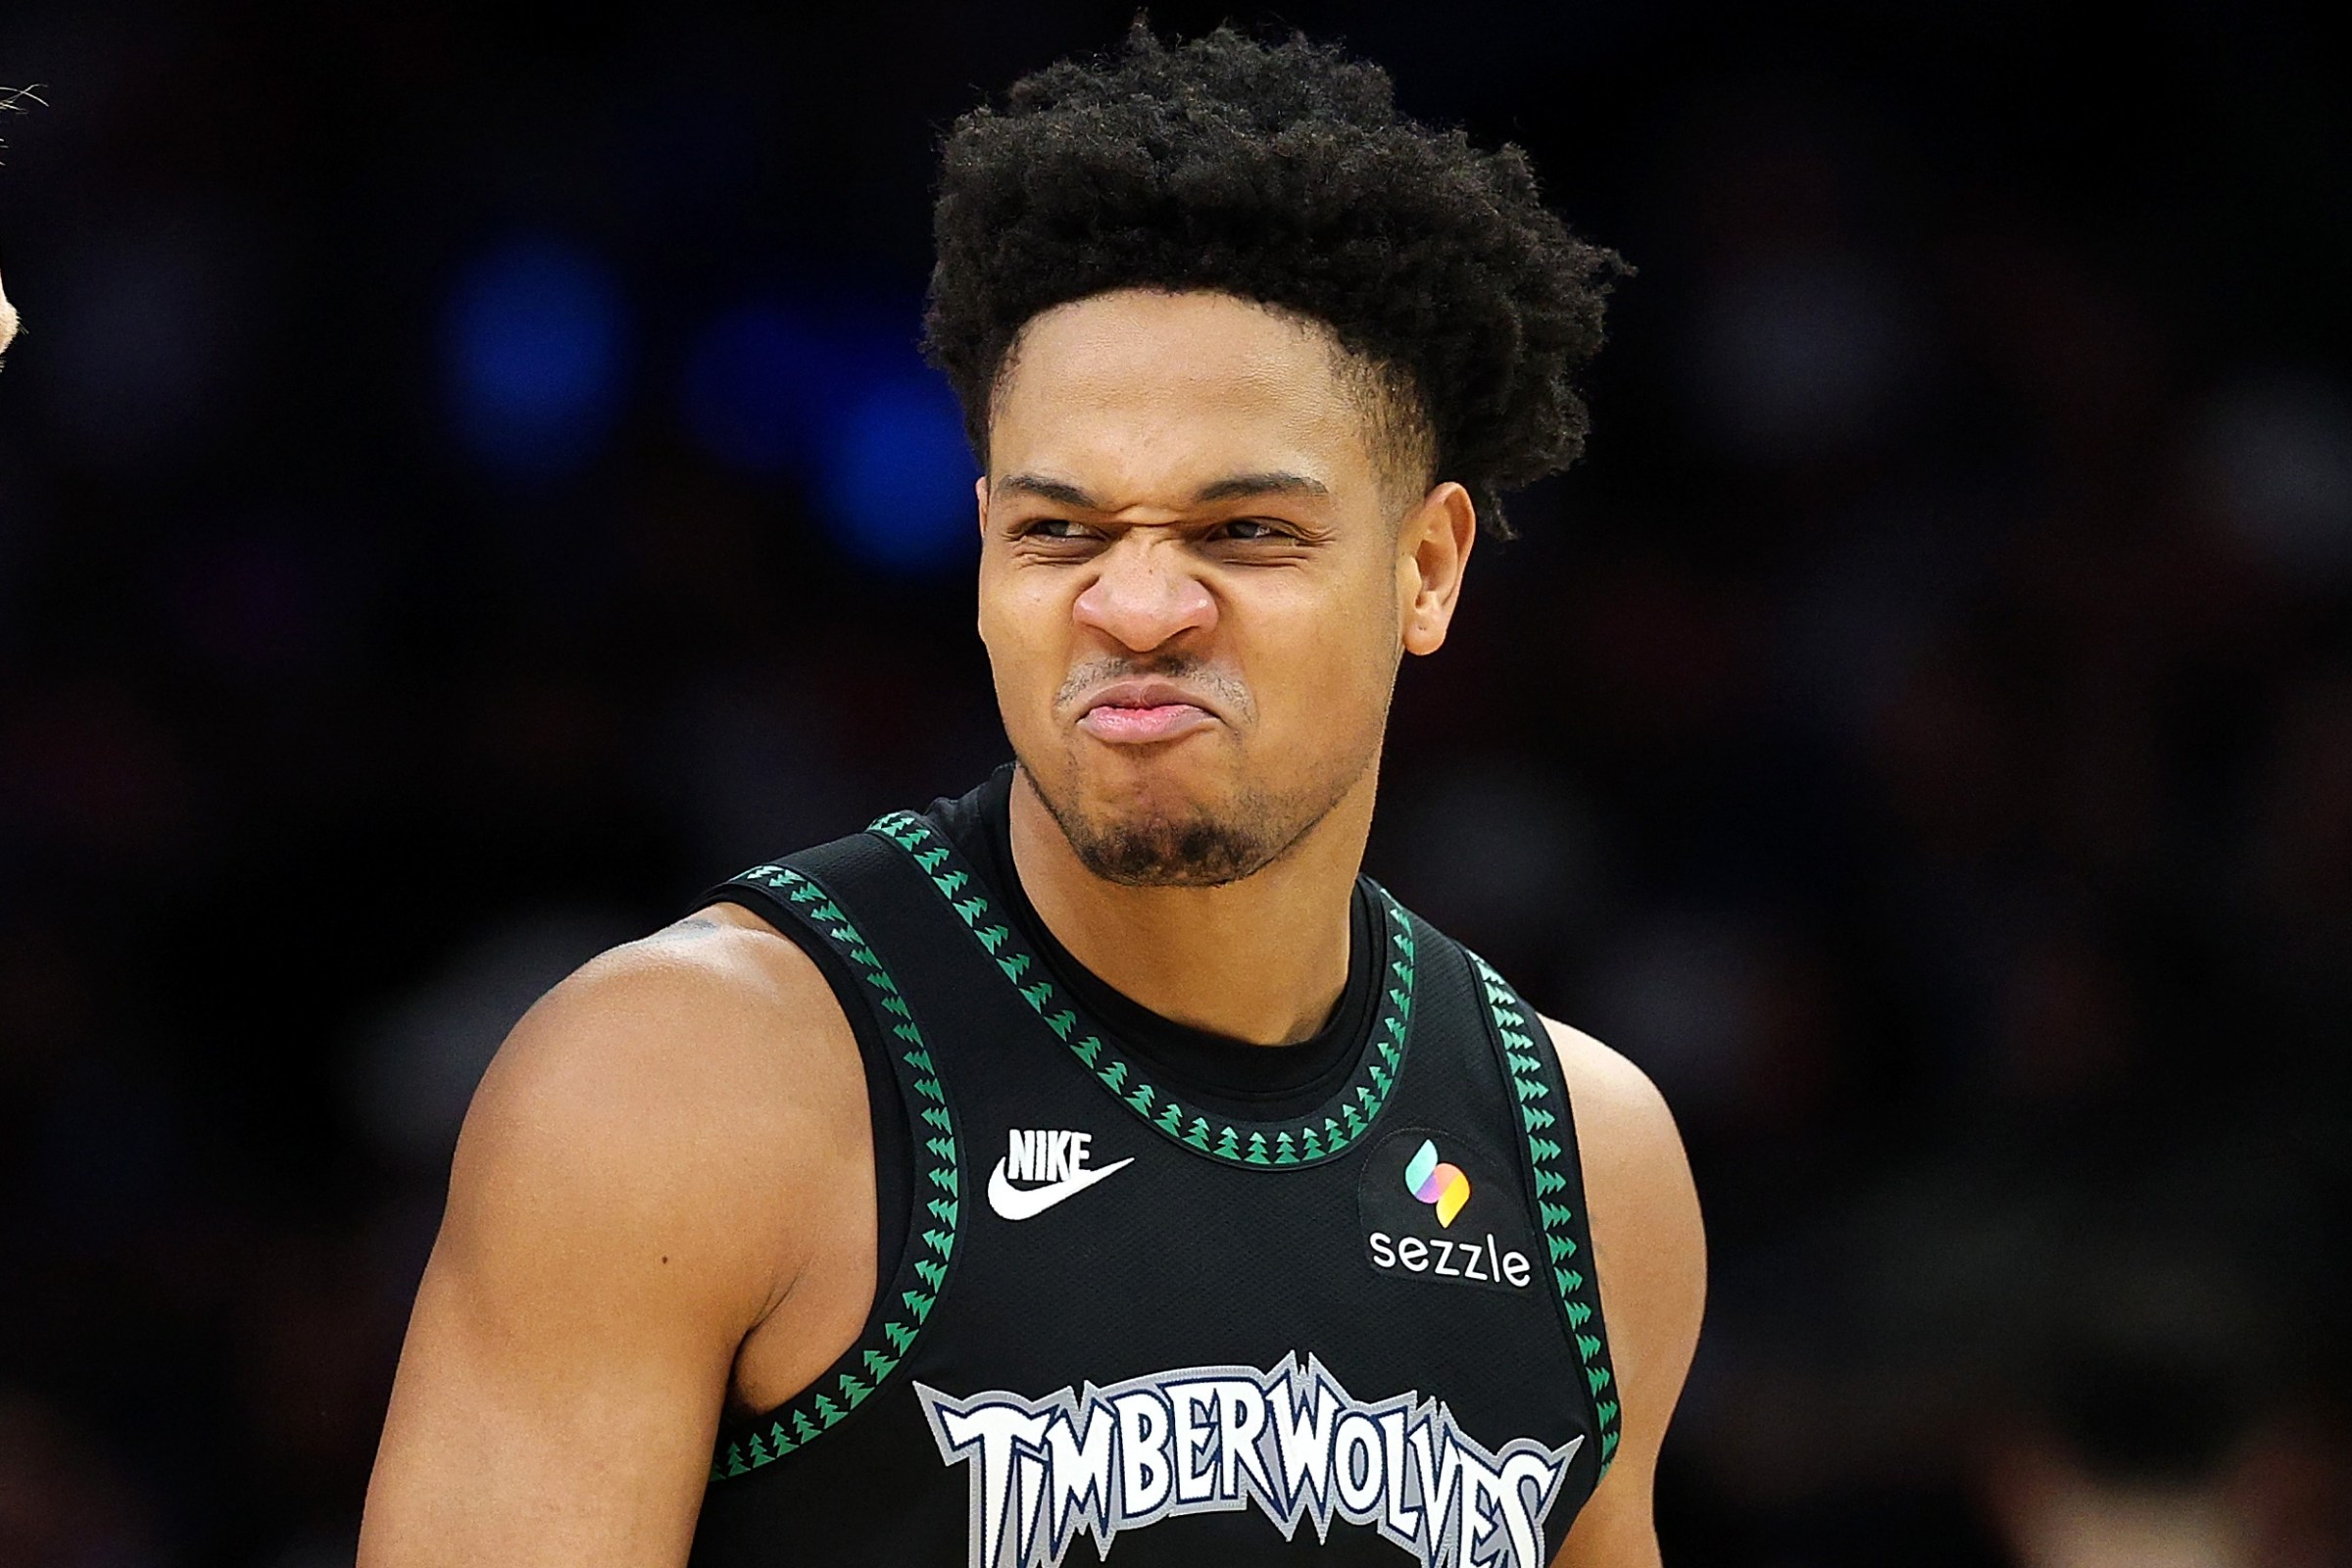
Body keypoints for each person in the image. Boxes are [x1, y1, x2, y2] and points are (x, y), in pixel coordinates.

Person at [360, 25, 1705, 1568]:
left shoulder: (1589, 1168)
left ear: (1427, 568)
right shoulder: (681, 1084)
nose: (1138, 606)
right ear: (987, 549)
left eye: (1247, 531)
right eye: (1064, 532)